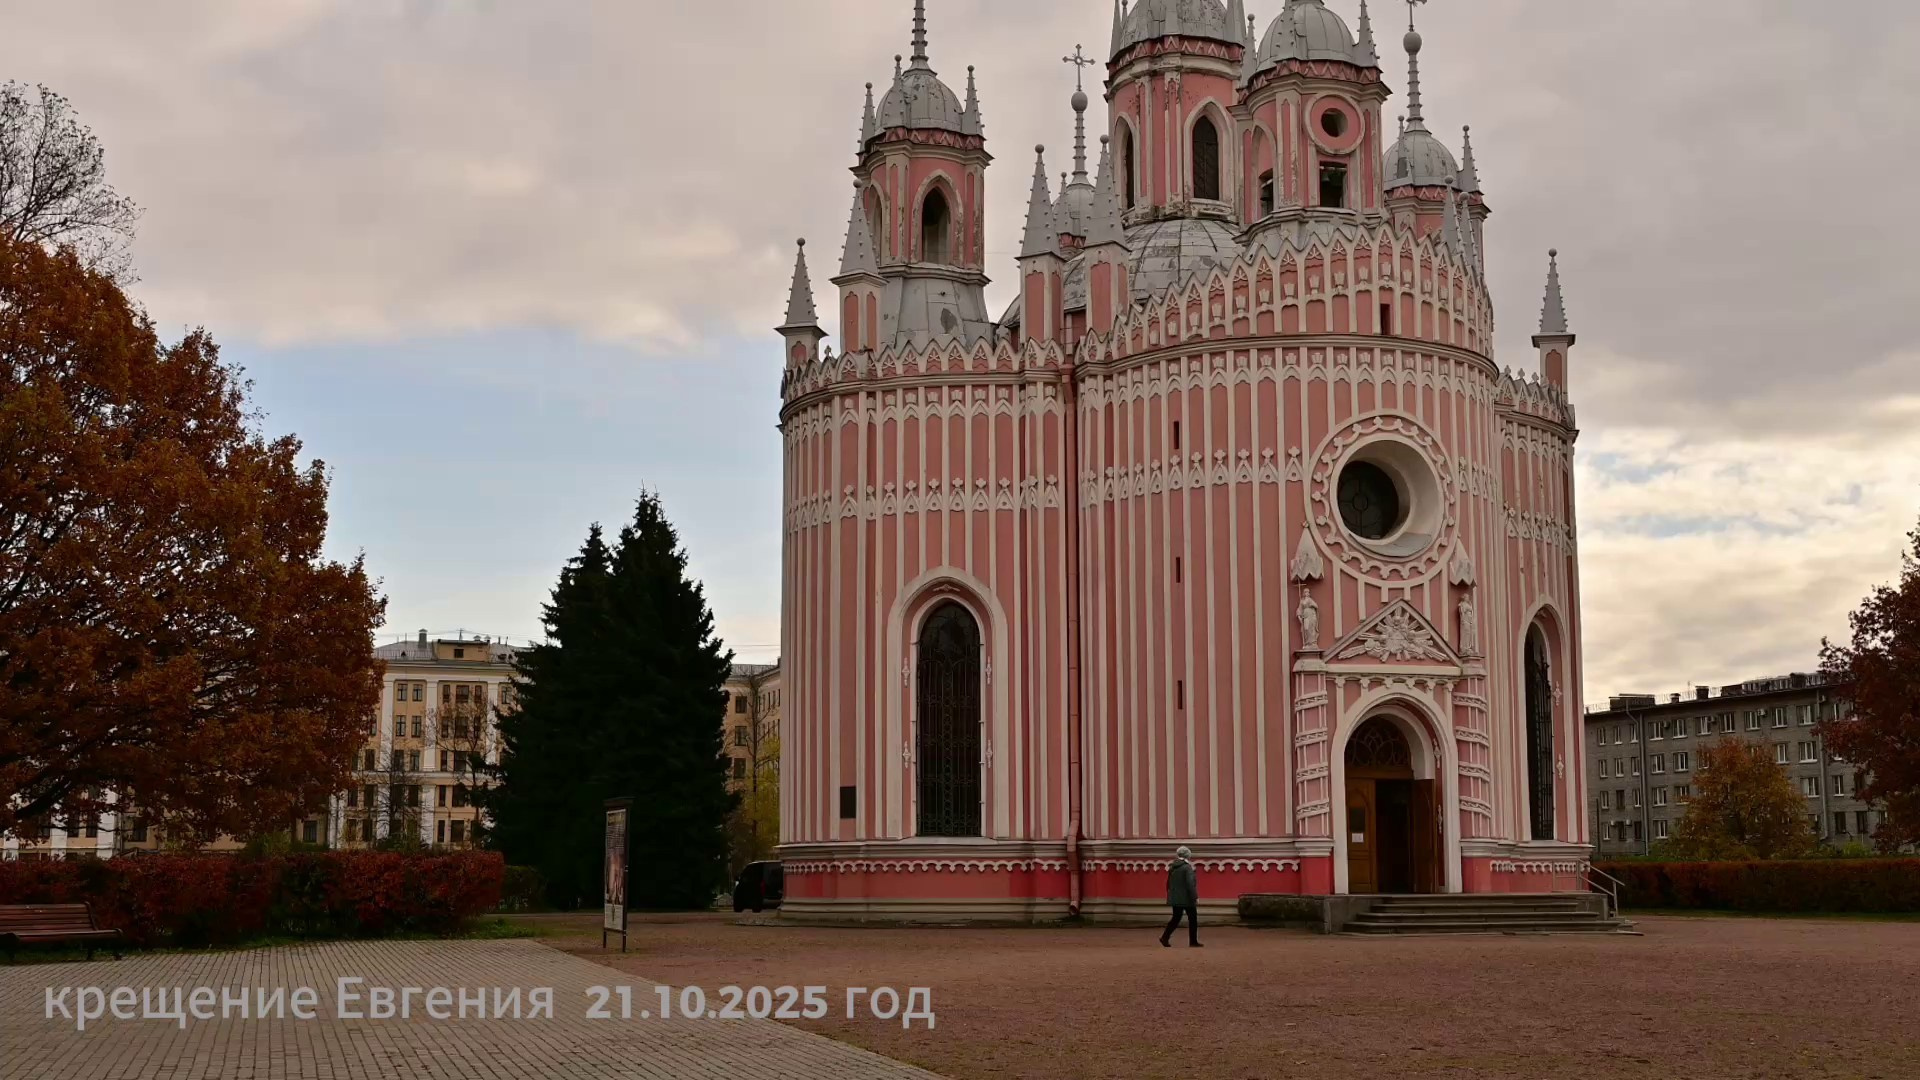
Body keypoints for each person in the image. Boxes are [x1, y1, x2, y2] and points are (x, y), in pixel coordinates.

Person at [1159, 846, 1201, 947]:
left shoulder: (1173, 866)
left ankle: (1165, 937)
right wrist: (1195, 896)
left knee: (1176, 918)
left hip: (1176, 897)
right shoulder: (1187, 867)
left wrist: (1171, 895)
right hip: (1187, 898)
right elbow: (1190, 884)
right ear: (1188, 855)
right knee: (1193, 919)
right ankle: (1193, 941)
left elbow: (1168, 883)